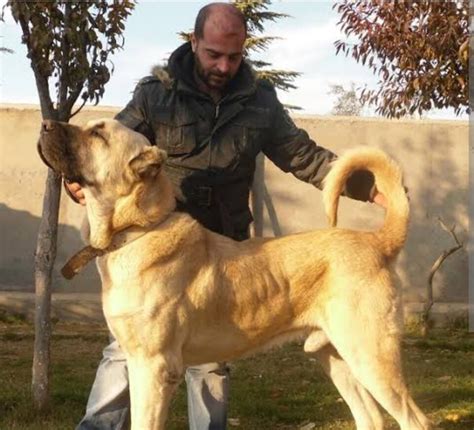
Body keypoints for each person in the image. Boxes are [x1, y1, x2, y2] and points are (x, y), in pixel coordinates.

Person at [68, 3, 386, 429]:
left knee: (211, 362)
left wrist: (370, 188)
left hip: (222, 247)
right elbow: (114, 152)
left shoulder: (259, 102)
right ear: (194, 42)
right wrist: (80, 179)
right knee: (126, 351)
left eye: (234, 57)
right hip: (161, 247)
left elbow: (302, 156)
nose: (223, 65)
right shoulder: (155, 94)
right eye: (213, 54)